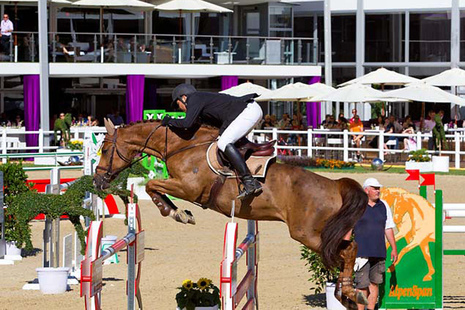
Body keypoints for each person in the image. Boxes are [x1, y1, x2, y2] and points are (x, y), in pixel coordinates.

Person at [161, 83, 263, 200]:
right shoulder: (201, 103)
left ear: (183, 97)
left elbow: (186, 123)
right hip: (248, 111)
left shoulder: (194, 98)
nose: (179, 108)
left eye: (177, 104)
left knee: (223, 143)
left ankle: (249, 181)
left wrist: (169, 120)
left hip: (248, 111)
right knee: (223, 140)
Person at [353, 178, 398, 310]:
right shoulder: (357, 206)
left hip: (379, 252)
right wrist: (345, 245)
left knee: (374, 284)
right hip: (361, 252)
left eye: (378, 188)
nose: (378, 191)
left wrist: (394, 248)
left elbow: (388, 228)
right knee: (361, 286)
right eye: (375, 188)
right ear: (366, 190)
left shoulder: (384, 206)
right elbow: (349, 228)